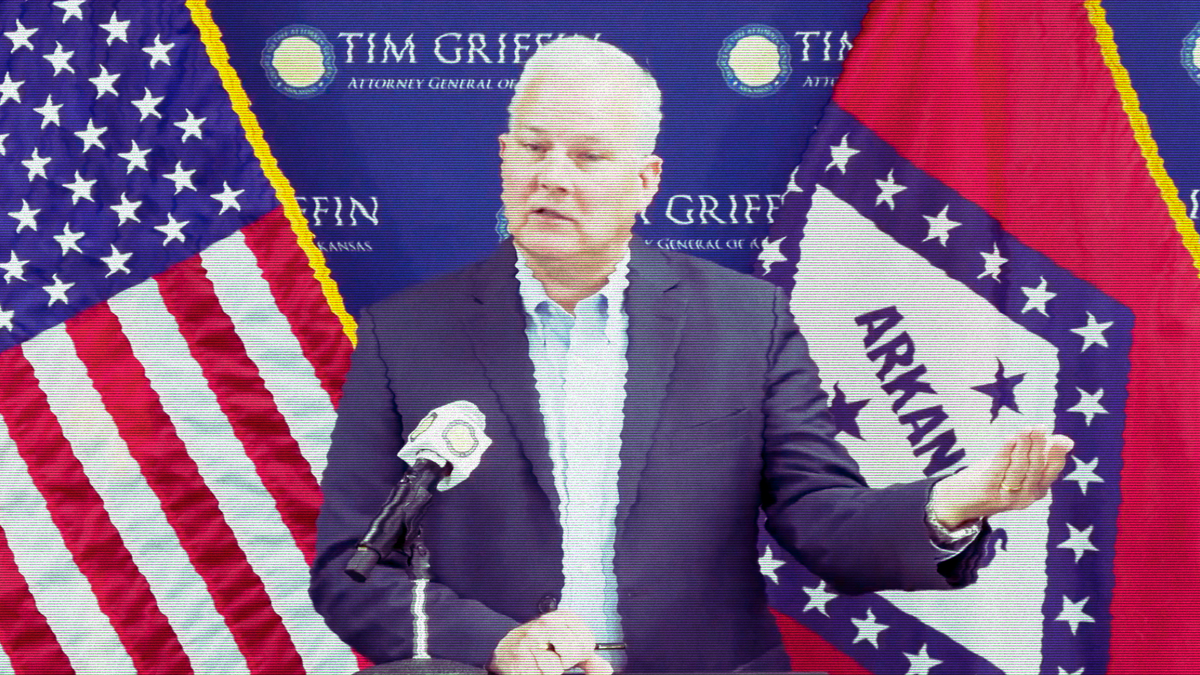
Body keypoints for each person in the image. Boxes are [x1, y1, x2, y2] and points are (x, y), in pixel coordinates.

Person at [310, 37, 1073, 674]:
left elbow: (822, 517)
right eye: (534, 148)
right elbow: (353, 567)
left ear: (646, 181)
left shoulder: (745, 321)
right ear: (504, 158)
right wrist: (495, 642)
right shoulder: (405, 334)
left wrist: (948, 505)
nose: (553, 177)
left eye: (588, 155)